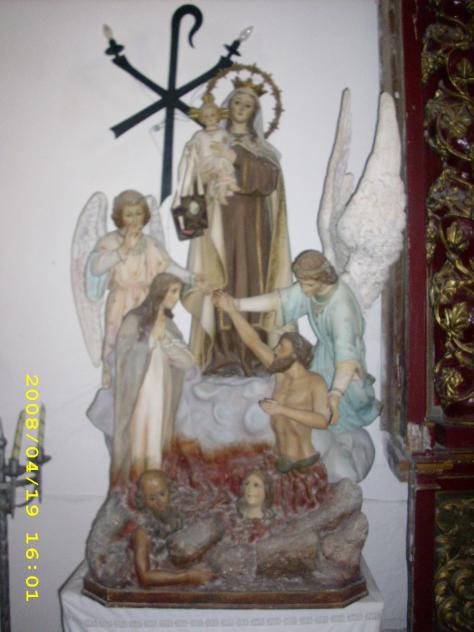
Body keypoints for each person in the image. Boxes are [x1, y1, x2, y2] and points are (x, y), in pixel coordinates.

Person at [181, 80, 292, 376]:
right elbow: (191, 180)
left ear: (254, 112)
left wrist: (237, 156)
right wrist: (192, 225)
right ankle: (221, 356)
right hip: (217, 225)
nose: (241, 108)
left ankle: (253, 356)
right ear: (227, 106)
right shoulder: (207, 140)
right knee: (219, 281)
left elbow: (269, 181)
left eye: (248, 104)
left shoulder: (262, 149)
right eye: (237, 102)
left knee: (251, 282)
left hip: (254, 228)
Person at [233, 250, 381, 433]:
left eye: (308, 285)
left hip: (344, 368)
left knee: (336, 415)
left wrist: (336, 393)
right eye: (301, 283)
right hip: (324, 356)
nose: (303, 290)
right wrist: (237, 305)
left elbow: (347, 359)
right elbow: (279, 300)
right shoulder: (313, 287)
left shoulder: (342, 309)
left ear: (324, 279)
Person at [86, 189, 200, 387]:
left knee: (150, 344)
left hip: (147, 301)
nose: (134, 219)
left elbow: (167, 265)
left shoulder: (150, 243)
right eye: (128, 214)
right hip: (121, 302)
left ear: (145, 215)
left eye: (138, 213)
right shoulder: (110, 241)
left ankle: (146, 389)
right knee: (119, 344)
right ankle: (117, 386)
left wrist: (191, 277)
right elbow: (95, 267)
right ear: (119, 217)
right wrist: (123, 249)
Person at [213, 291, 330, 472]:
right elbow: (254, 342)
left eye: (281, 349)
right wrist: (231, 311)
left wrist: (281, 409)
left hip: (304, 461)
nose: (275, 351)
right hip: (279, 459)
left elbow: (322, 421)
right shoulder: (280, 374)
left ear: (295, 355)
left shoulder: (315, 382)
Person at [111, 273, 195, 488]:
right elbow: (123, 356)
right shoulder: (134, 319)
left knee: (156, 438)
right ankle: (134, 488)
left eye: (178, 292)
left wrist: (164, 340)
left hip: (161, 392)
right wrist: (149, 341)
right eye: (173, 291)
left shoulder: (170, 326)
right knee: (139, 438)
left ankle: (154, 488)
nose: (176, 297)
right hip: (139, 393)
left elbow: (187, 361)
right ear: (160, 291)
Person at [133, 470, 213, 587]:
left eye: (162, 494)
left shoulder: (182, 516)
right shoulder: (143, 533)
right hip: (166, 586)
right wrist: (187, 576)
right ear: (143, 501)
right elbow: (144, 577)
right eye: (152, 498)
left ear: (170, 491)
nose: (159, 502)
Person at [177, 93, 239, 207]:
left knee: (223, 163)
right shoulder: (199, 135)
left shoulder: (223, 132)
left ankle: (222, 191)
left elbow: (230, 143)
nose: (210, 118)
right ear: (201, 118)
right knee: (222, 164)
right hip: (205, 164)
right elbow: (192, 146)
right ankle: (228, 183)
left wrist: (231, 145)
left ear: (219, 116)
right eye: (206, 116)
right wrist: (190, 147)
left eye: (212, 115)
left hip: (218, 162)